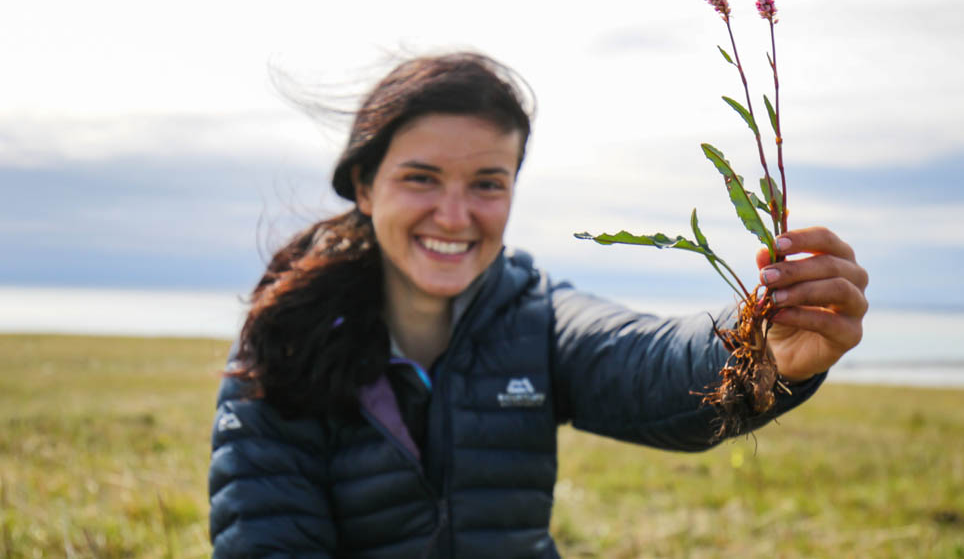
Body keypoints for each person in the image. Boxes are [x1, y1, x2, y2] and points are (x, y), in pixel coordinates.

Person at [207, 52, 868, 558]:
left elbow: (645, 359)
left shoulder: (540, 315)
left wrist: (767, 350)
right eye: (421, 178)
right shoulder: (286, 341)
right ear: (364, 182)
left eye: (487, 182)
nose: (455, 214)